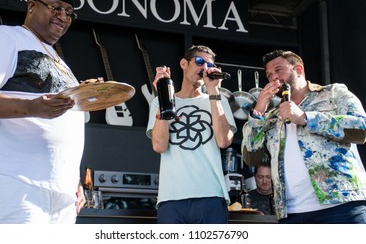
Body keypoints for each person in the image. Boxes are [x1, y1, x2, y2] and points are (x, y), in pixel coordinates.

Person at [0, 0, 86, 224]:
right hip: (14, 179)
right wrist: (32, 107)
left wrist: (74, 179)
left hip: (62, 193)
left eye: (69, 13)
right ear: (31, 6)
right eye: (56, 8)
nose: (63, 17)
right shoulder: (5, 36)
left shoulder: (59, 60)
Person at [242, 49, 366, 223]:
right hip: (292, 213)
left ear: (299, 69)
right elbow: (251, 156)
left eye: (278, 70)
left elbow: (361, 128)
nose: (273, 78)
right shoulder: (270, 117)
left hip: (341, 204)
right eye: (269, 75)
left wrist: (306, 118)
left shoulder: (333, 93)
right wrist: (259, 110)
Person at [146, 45, 237, 224]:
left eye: (209, 65)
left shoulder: (219, 100)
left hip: (211, 194)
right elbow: (159, 145)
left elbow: (224, 141)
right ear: (183, 63)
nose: (204, 68)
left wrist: (213, 91)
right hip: (172, 196)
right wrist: (165, 96)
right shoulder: (160, 101)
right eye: (200, 62)